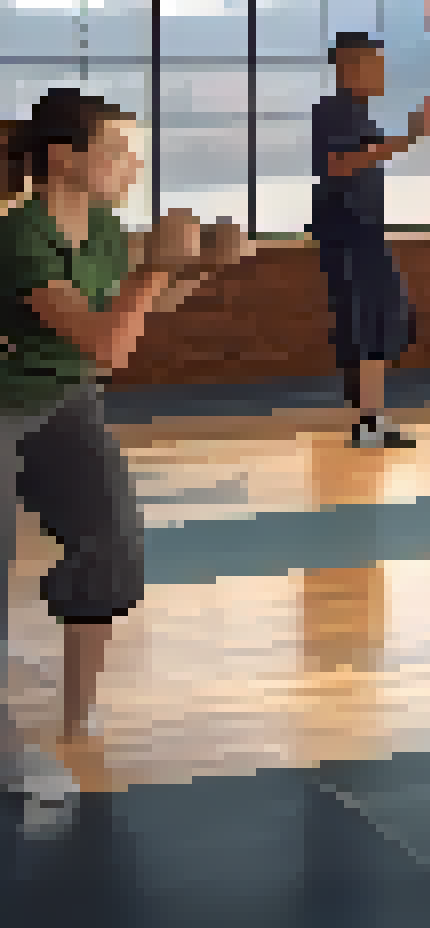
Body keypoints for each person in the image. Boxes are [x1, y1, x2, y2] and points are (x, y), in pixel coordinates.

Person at [0, 91, 248, 790]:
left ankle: (76, 717)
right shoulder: (21, 237)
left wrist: (197, 270)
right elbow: (108, 344)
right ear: (63, 158)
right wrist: (153, 269)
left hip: (63, 400)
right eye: (113, 147)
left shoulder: (103, 227)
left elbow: (130, 310)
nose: (129, 161)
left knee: (111, 546)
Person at [310, 32, 430, 448]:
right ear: (350, 66)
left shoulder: (360, 116)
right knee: (363, 323)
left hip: (364, 230)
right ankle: (368, 420)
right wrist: (405, 141)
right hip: (347, 232)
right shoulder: (332, 112)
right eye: (374, 64)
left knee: (383, 321)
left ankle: (373, 418)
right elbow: (338, 163)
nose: (382, 73)